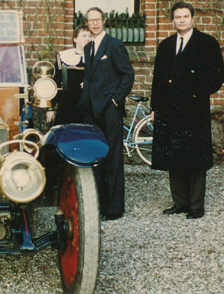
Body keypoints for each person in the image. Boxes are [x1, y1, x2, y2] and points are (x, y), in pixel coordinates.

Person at [150, 2, 224, 219]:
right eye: (177, 17)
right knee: (174, 155)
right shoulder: (165, 45)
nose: (181, 20)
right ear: (173, 20)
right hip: (169, 109)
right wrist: (155, 107)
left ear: (192, 19)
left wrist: (197, 95)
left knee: (195, 158)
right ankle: (180, 202)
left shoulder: (206, 43)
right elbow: (157, 80)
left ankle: (196, 206)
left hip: (194, 110)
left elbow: (217, 75)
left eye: (185, 16)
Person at [78, 7, 134, 220]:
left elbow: (127, 75)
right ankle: (98, 204)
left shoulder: (114, 45)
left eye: (97, 20)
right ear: (88, 23)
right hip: (93, 111)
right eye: (90, 20)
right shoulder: (89, 47)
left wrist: (116, 100)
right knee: (96, 157)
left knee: (113, 158)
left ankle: (113, 208)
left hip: (110, 109)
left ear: (103, 21)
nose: (94, 24)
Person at [46, 25, 92, 125]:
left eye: (89, 36)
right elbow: (55, 83)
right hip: (67, 108)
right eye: (84, 35)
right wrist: (50, 108)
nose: (88, 38)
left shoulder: (96, 58)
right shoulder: (65, 57)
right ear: (75, 39)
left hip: (89, 109)